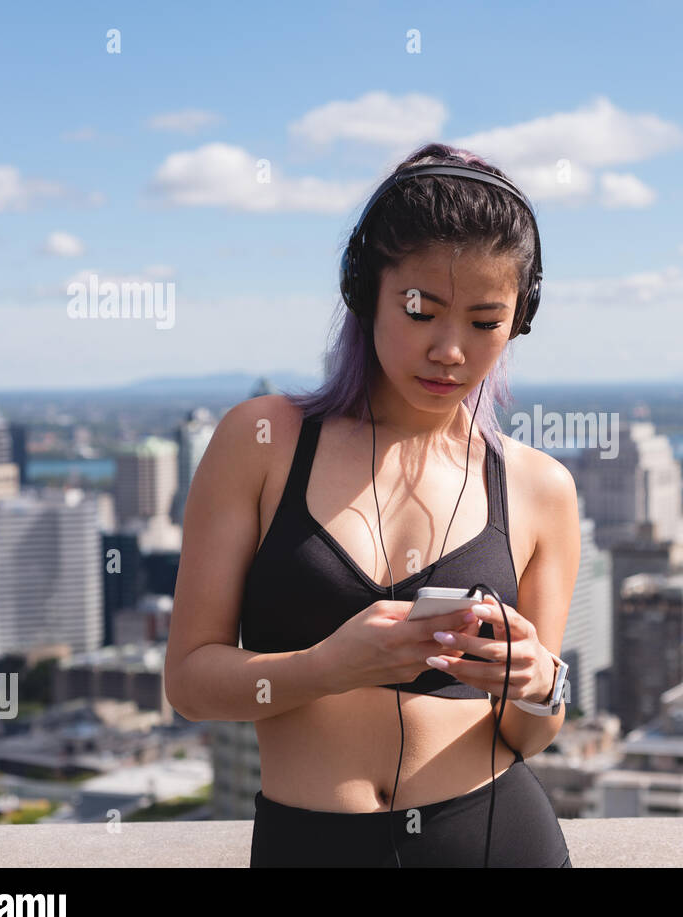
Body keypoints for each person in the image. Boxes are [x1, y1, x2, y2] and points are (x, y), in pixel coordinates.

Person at [164, 143, 579, 866]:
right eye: (421, 309)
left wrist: (540, 681)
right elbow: (191, 682)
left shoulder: (540, 488)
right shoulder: (261, 440)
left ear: (520, 319)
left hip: (496, 836)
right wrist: (328, 665)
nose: (450, 348)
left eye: (485, 321)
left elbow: (528, 734)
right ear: (364, 291)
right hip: (311, 845)